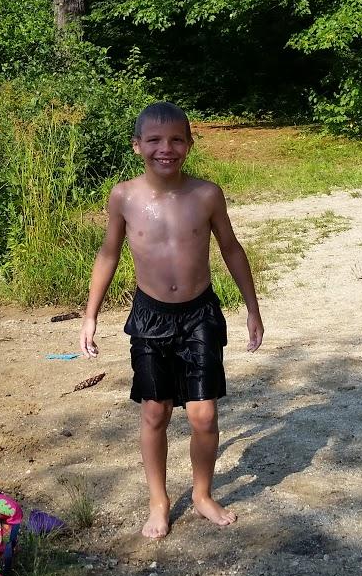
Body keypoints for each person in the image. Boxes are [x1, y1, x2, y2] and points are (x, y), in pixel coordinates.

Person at [80, 102, 264, 539]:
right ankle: (159, 501)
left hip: (200, 314)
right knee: (155, 412)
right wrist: (90, 315)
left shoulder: (206, 194)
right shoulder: (124, 196)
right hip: (150, 315)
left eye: (177, 139)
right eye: (156, 140)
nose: (167, 149)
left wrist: (252, 307)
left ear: (190, 143)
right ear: (137, 145)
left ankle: (202, 494)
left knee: (203, 416)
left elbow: (231, 248)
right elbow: (108, 253)